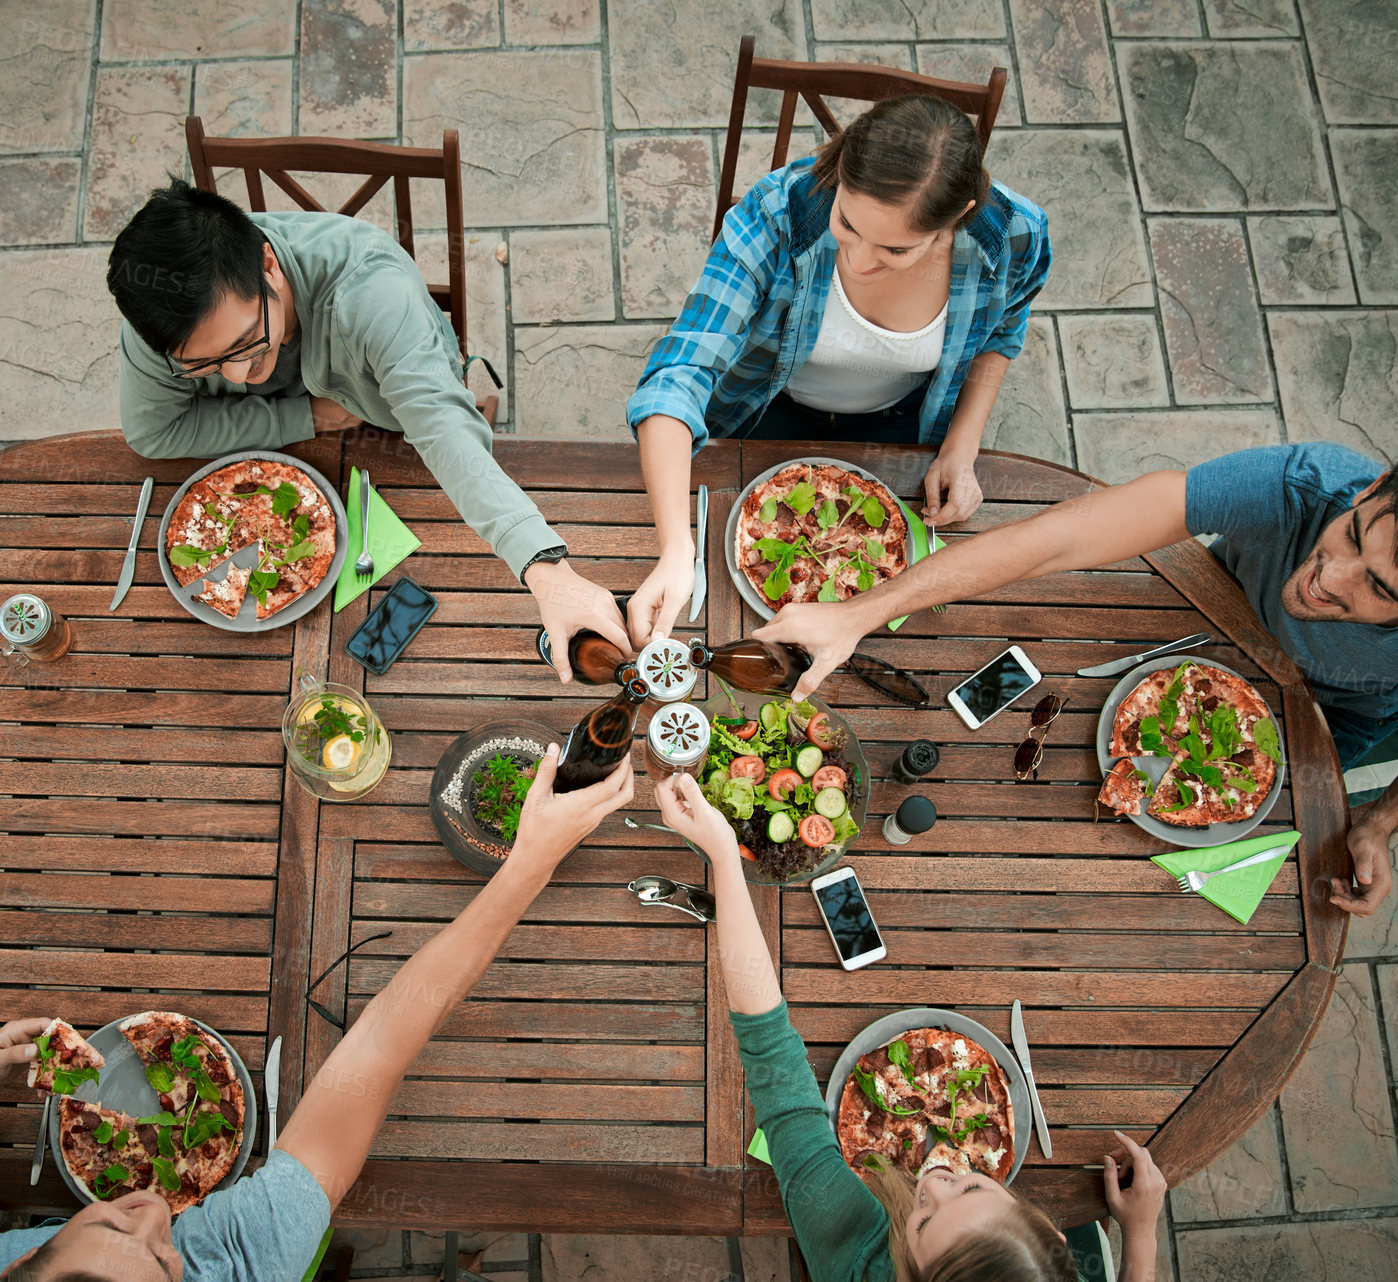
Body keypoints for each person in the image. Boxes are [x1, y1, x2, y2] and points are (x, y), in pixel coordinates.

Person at [752, 441, 1398, 918]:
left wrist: (1382, 821)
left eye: (1378, 588)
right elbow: (1061, 539)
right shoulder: (1307, 482)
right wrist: (865, 610)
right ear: (1372, 491)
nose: (1328, 577)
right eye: (1351, 535)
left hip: (1328, 717)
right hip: (1199, 623)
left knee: (1172, 892)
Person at [0, 747, 633, 1282]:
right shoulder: (245, 1262)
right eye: (168, 1266)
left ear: (19, 1258)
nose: (159, 1214)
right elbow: (381, 1044)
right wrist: (530, 863)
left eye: (115, 1221)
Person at [106, 179, 630, 680]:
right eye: (206, 366)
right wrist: (305, 417)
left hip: (391, 422)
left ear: (268, 264)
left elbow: (442, 426)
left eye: (246, 343)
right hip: (316, 432)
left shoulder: (373, 294)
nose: (240, 376)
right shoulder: (164, 313)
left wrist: (545, 567)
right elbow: (153, 434)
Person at [654, 772, 1167, 1281]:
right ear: (1055, 1242)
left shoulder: (852, 1261)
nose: (936, 1177)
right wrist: (1141, 1235)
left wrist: (724, 855)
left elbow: (772, 1057)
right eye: (972, 1188)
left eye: (922, 1222)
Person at [625, 95, 1052, 646]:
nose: (858, 260)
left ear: (959, 216)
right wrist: (677, 548)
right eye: (847, 223)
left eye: (896, 249)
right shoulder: (774, 213)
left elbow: (1002, 335)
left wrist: (962, 447)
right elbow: (678, 373)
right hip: (763, 409)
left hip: (905, 423)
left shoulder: (1017, 237)